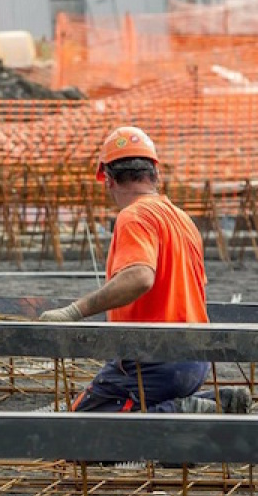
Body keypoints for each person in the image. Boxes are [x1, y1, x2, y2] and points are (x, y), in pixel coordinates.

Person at [39, 126, 251, 414]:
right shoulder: (182, 220)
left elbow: (140, 277)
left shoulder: (134, 216)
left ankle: (182, 411)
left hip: (155, 357)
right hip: (195, 358)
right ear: (155, 175)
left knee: (84, 432)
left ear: (109, 180)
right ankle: (212, 403)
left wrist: (74, 311)